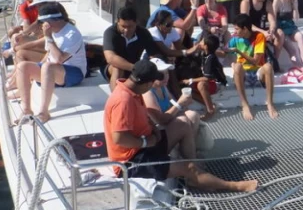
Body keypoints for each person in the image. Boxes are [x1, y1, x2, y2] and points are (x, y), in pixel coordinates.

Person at [104, 58, 257, 191]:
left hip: (146, 145)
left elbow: (145, 118)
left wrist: (154, 134)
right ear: (147, 83)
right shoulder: (123, 100)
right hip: (130, 161)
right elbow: (119, 138)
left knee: (183, 125)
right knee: (188, 168)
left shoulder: (133, 91)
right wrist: (146, 142)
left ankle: (195, 168)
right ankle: (233, 185)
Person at [15, 2, 87, 122]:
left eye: (43, 22)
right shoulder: (55, 31)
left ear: (52, 21)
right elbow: (49, 55)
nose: (42, 25)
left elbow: (59, 59)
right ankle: (26, 110)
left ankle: (44, 112)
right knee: (23, 66)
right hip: (53, 71)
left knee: (48, 67)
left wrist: (48, 37)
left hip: (74, 74)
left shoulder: (71, 34)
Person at [229, 13, 278, 120]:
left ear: (245, 29)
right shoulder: (234, 38)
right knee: (237, 67)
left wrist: (238, 51)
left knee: (268, 66)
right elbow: (224, 52)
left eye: (237, 29)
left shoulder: (259, 37)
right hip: (243, 74)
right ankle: (245, 105)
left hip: (257, 72)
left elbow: (256, 61)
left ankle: (269, 104)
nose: (235, 31)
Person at [102, 6, 163, 89]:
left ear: (136, 23)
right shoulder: (110, 33)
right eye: (123, 26)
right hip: (112, 68)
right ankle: (116, 98)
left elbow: (154, 54)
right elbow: (111, 58)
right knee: (118, 68)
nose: (126, 30)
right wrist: (136, 68)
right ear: (118, 22)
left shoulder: (143, 33)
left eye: (130, 26)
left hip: (134, 68)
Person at [142, 57, 204, 130]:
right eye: (161, 74)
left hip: (169, 120)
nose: (166, 77)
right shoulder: (148, 92)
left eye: (167, 73)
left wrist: (184, 105)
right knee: (191, 117)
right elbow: (160, 120)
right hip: (159, 129)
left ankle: (189, 138)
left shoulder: (162, 87)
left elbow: (173, 102)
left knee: (192, 114)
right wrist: (180, 103)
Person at [178, 33, 227, 118]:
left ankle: (210, 110)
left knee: (201, 85)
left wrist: (189, 80)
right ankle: (212, 105)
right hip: (209, 82)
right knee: (187, 90)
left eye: (202, 42)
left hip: (216, 83)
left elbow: (206, 78)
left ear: (206, 46)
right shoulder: (204, 54)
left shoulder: (210, 58)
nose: (199, 43)